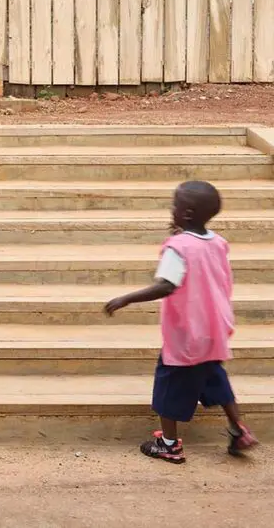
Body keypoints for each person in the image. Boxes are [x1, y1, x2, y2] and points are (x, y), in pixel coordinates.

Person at [104, 181, 260, 463]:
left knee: (169, 385)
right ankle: (239, 430)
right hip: (215, 329)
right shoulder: (217, 242)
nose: (171, 209)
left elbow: (166, 285)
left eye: (174, 205)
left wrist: (126, 298)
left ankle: (169, 444)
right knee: (214, 376)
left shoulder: (177, 248)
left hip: (187, 333)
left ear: (186, 213)